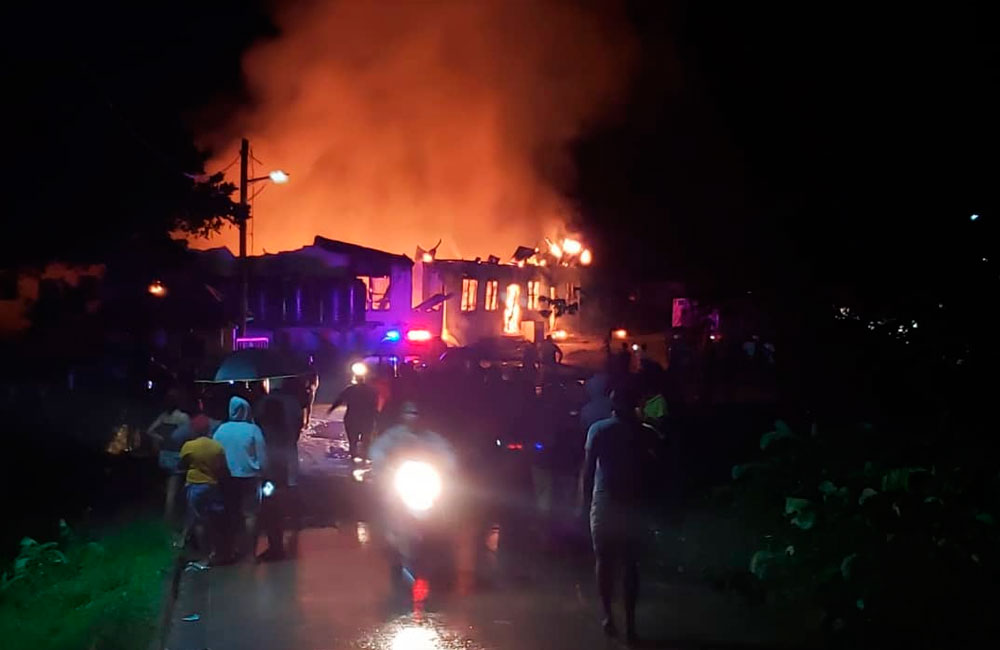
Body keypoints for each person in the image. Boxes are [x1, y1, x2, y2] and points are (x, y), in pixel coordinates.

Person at [579, 386, 657, 645]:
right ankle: (631, 624)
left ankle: (608, 616)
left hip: (604, 505)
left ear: (612, 405)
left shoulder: (599, 430)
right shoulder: (646, 433)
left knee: (605, 562)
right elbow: (657, 473)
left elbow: (588, 472)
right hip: (634, 506)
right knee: (631, 566)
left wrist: (583, 505)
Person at [213, 395, 268, 560]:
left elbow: (215, 452)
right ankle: (251, 553)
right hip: (250, 477)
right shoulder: (253, 429)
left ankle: (230, 550)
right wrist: (264, 474)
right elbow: (263, 456)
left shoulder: (221, 430)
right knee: (250, 515)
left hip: (227, 477)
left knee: (231, 513)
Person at [179, 415, 228, 565]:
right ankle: (219, 552)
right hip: (212, 485)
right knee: (215, 520)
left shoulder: (188, 446)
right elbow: (222, 467)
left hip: (195, 485)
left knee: (199, 521)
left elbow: (182, 465)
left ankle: (204, 556)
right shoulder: (217, 446)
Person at [147, 389, 191, 523]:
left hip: (163, 454)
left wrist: (160, 438)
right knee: (172, 491)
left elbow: (149, 431)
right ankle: (169, 519)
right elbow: (188, 436)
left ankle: (166, 515)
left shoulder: (163, 416)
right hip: (176, 455)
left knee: (167, 488)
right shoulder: (183, 418)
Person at [256, 396, 290, 561]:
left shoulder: (263, 430)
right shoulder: (284, 429)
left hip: (268, 477)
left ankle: (275, 548)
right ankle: (277, 546)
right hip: (281, 476)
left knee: (270, 511)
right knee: (277, 513)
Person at [329, 376, 379, 460]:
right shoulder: (371, 390)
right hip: (367, 418)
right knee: (366, 441)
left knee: (353, 441)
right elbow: (375, 405)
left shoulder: (350, 390)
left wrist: (331, 409)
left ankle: (353, 458)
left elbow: (339, 400)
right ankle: (364, 458)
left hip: (352, 418)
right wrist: (377, 417)